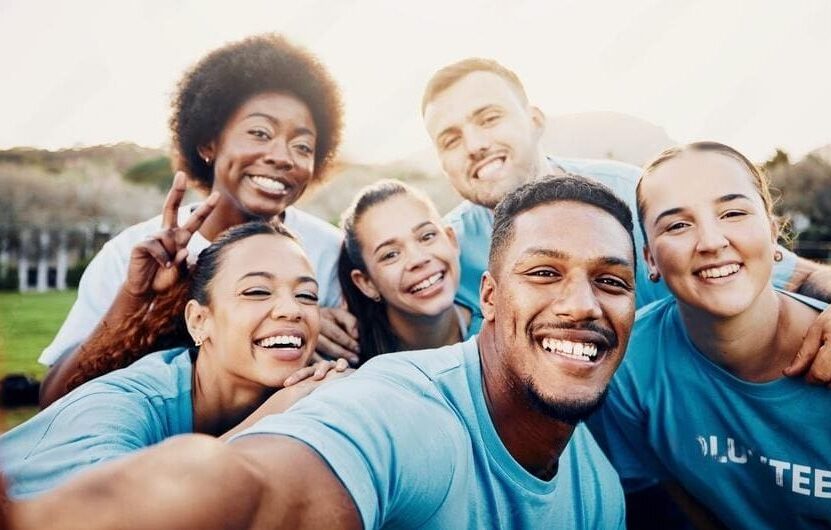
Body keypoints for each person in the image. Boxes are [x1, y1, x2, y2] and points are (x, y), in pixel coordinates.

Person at [7, 176, 637, 529]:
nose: (582, 303)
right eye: (545, 274)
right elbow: (253, 487)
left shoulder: (598, 490)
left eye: (306, 295)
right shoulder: (398, 404)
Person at [415, 57, 831, 396]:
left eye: (489, 118)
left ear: (536, 120)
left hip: (681, 433)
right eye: (450, 138)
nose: (474, 143)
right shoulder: (445, 252)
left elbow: (779, 269)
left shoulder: (633, 193)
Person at [588, 142, 831, 529]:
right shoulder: (629, 363)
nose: (712, 242)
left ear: (773, 234)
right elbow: (665, 486)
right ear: (650, 258)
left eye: (733, 213)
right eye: (678, 225)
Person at [38, 34, 349, 406]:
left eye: (302, 146)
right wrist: (135, 303)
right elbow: (54, 400)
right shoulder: (133, 255)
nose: (282, 156)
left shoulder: (331, 252)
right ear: (208, 143)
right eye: (259, 133)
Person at [1, 221, 350, 499]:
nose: (292, 309)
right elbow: (124, 510)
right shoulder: (120, 404)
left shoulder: (310, 394)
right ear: (199, 320)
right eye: (256, 291)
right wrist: (269, 419)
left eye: (307, 295)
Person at [337, 179, 481, 362]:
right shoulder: (351, 366)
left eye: (427, 236)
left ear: (451, 240)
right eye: (390, 255)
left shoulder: (500, 330)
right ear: (367, 283)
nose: (418, 259)